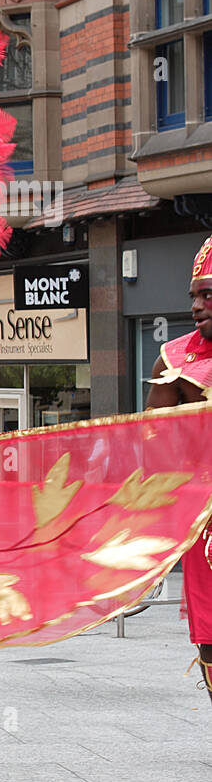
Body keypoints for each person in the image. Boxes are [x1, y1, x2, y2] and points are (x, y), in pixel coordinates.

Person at [146, 235, 212, 705]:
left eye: (208, 293)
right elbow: (153, 456)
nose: (196, 305)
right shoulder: (174, 363)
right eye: (193, 295)